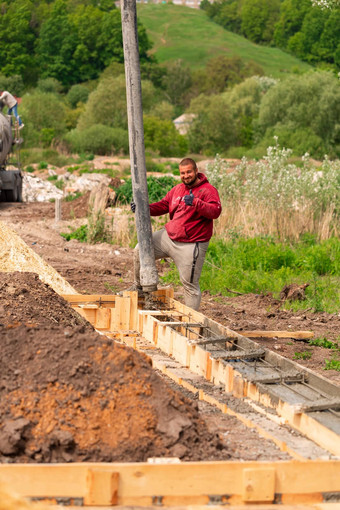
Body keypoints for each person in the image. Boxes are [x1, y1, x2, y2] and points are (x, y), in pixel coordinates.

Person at [130, 158, 222, 311]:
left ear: (196, 171)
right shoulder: (178, 189)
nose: (186, 176)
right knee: (140, 250)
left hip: (191, 244)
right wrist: (143, 207)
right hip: (169, 237)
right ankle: (139, 288)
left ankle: (190, 322)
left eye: (189, 172)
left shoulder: (208, 190)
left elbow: (215, 211)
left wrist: (196, 202)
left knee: (189, 285)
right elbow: (164, 205)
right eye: (182, 173)